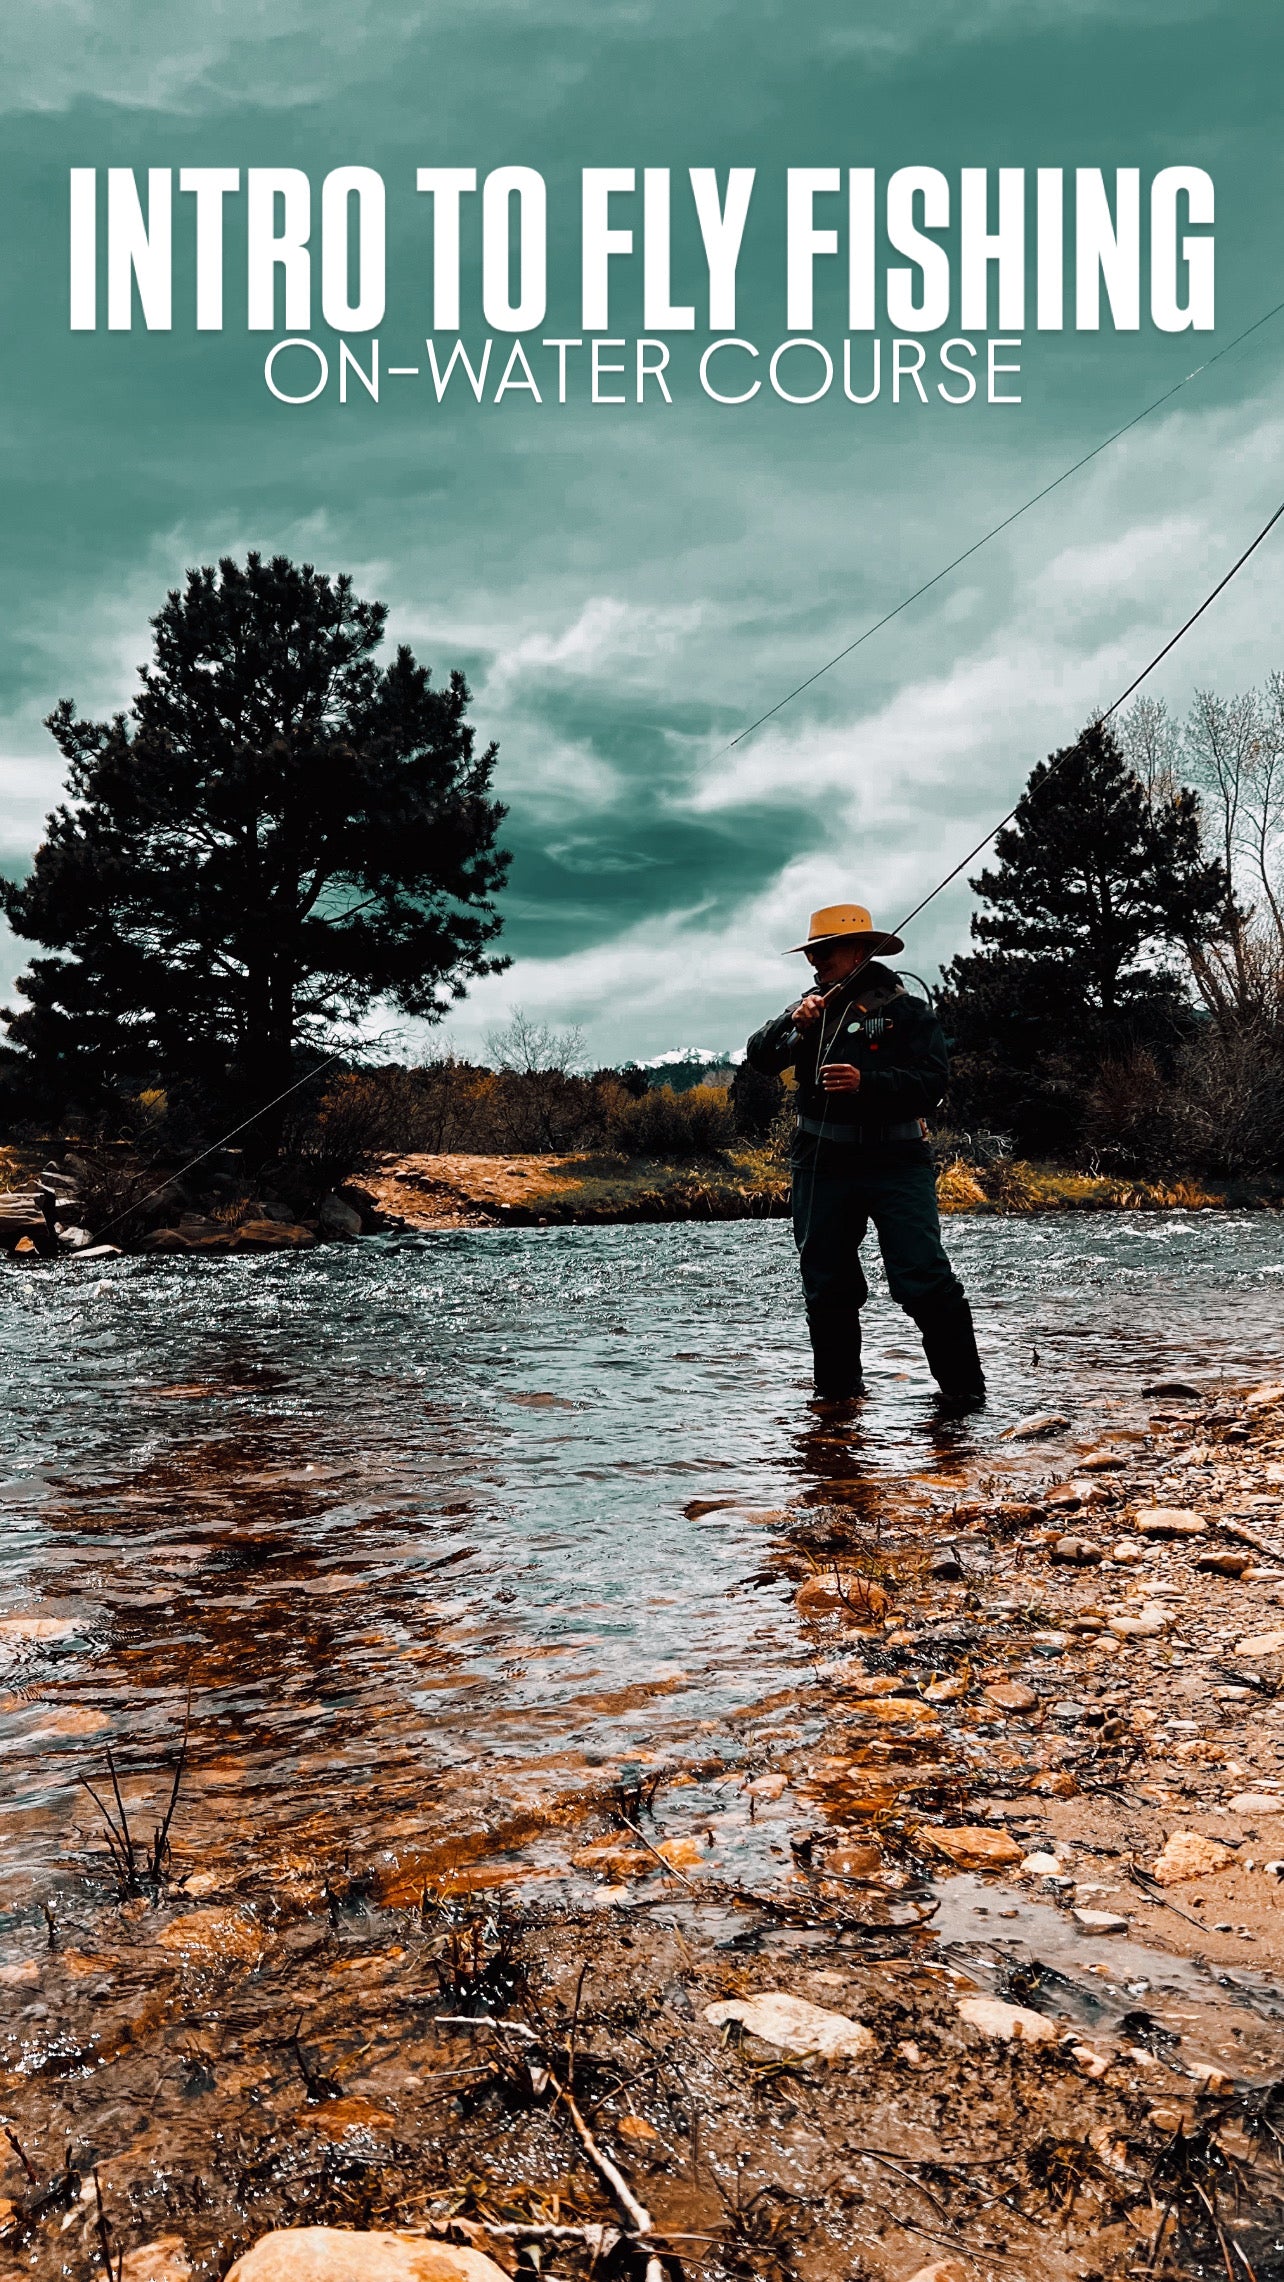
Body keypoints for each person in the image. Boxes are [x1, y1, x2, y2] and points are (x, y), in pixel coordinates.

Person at [744, 901, 984, 1409]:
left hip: (897, 1160)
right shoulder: (807, 1007)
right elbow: (759, 1058)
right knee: (826, 1285)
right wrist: (792, 1023)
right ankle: (837, 1404)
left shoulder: (907, 1010)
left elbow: (933, 1085)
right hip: (820, 1161)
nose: (814, 962)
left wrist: (865, 1083)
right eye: (812, 953)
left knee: (922, 1278)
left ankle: (965, 1400)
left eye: (824, 951)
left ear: (859, 951)